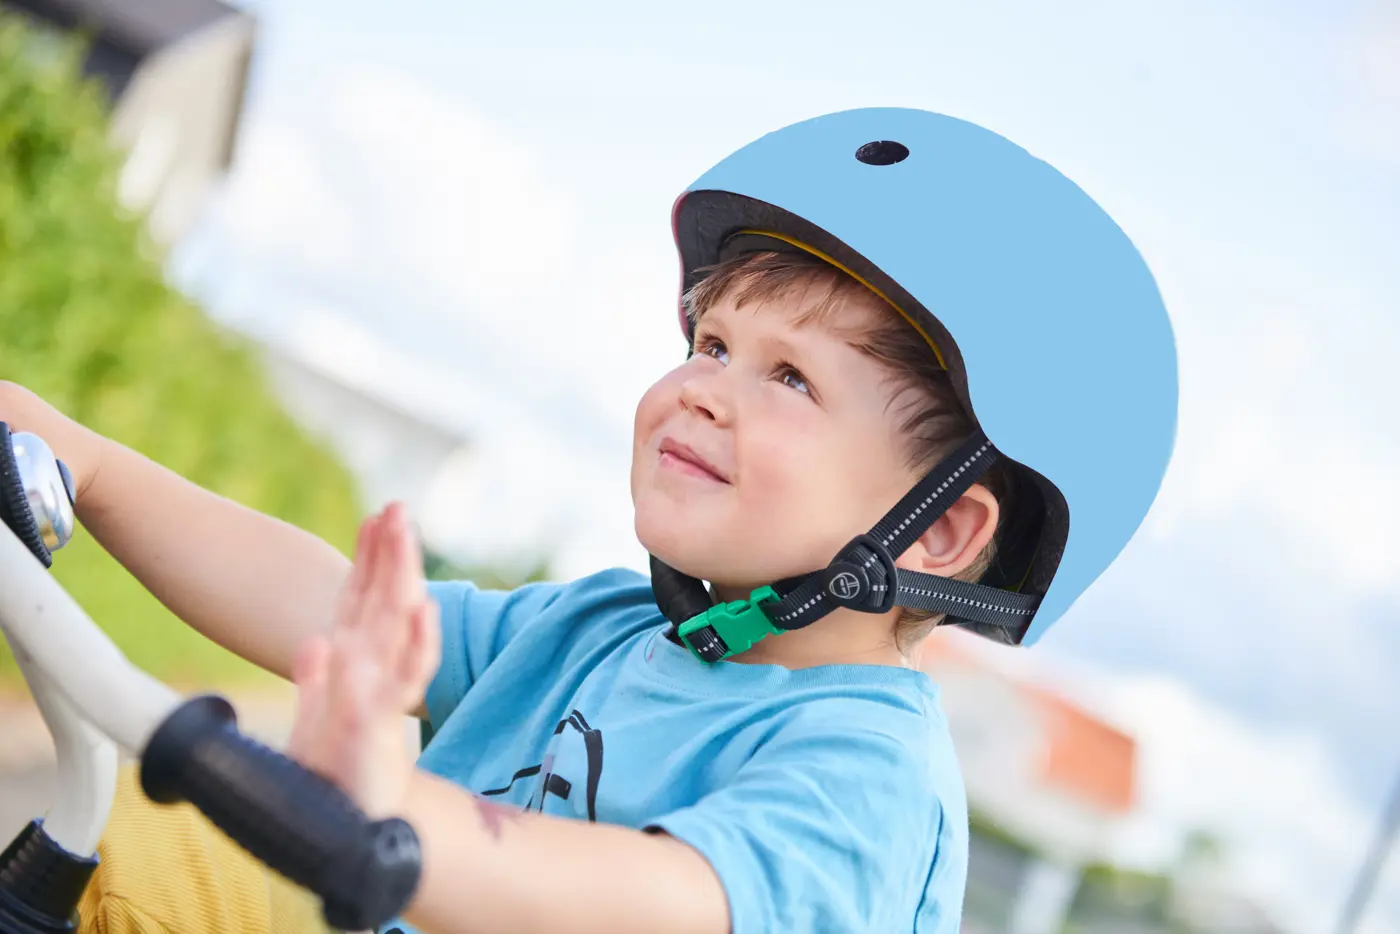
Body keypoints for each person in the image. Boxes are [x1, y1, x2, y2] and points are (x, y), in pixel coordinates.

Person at [0, 106, 1178, 934]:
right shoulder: (604, 629)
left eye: (789, 378)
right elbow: (329, 610)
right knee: (139, 835)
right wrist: (90, 465)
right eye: (711, 342)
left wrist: (398, 814)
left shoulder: (863, 771)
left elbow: (668, 904)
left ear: (934, 535)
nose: (703, 384)